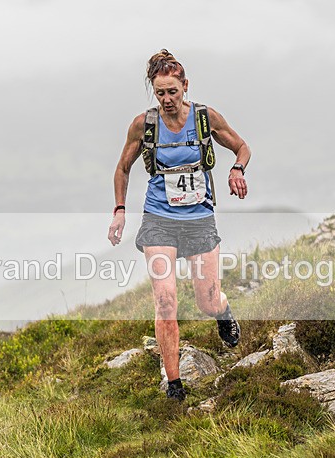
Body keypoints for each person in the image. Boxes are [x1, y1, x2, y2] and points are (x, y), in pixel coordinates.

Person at [107, 49, 251, 402]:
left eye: (173, 91)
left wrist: (237, 170)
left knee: (207, 300)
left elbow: (242, 147)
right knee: (166, 300)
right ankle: (174, 384)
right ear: (153, 92)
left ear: (185, 86)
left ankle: (223, 311)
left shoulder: (205, 118)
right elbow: (123, 168)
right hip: (159, 219)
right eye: (160, 93)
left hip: (200, 220)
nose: (168, 99)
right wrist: (120, 210)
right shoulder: (144, 125)